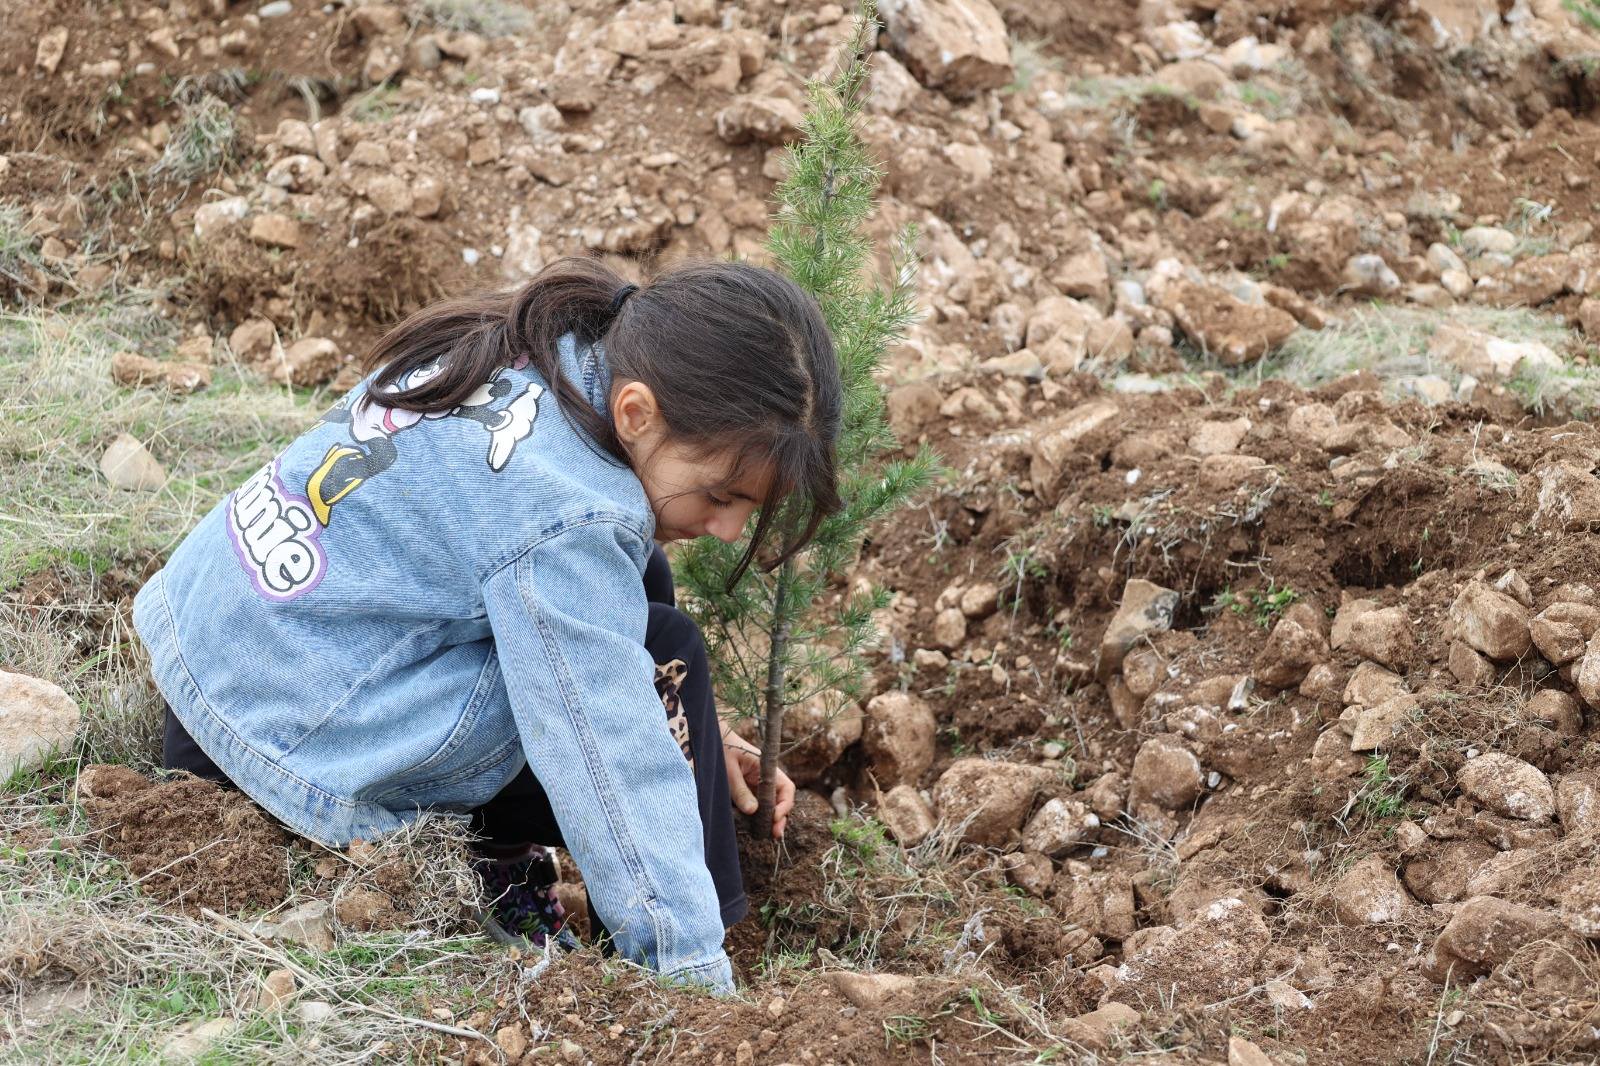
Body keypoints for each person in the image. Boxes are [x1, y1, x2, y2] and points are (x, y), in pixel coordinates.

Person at [133, 255, 842, 994]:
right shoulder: (570, 513)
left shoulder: (544, 349)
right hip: (286, 747)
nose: (729, 530)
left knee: (642, 581)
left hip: (222, 660)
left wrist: (700, 735)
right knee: (665, 651)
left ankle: (519, 856)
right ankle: (683, 954)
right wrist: (686, 972)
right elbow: (605, 747)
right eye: (722, 496)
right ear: (637, 412)